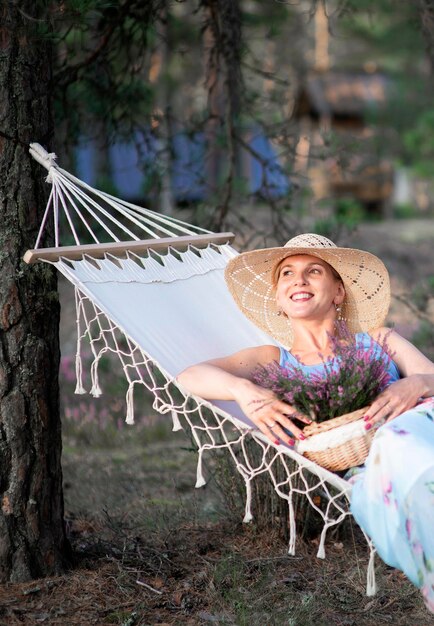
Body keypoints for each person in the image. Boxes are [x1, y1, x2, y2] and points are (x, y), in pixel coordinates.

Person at [177, 233, 434, 613]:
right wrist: (242, 389)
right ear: (280, 300)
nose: (298, 280)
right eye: (287, 274)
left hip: (420, 430)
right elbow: (189, 377)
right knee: (383, 472)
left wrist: (413, 383)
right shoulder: (274, 360)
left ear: (338, 292)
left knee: (396, 440)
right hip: (372, 472)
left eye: (314, 271)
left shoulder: (378, 341)